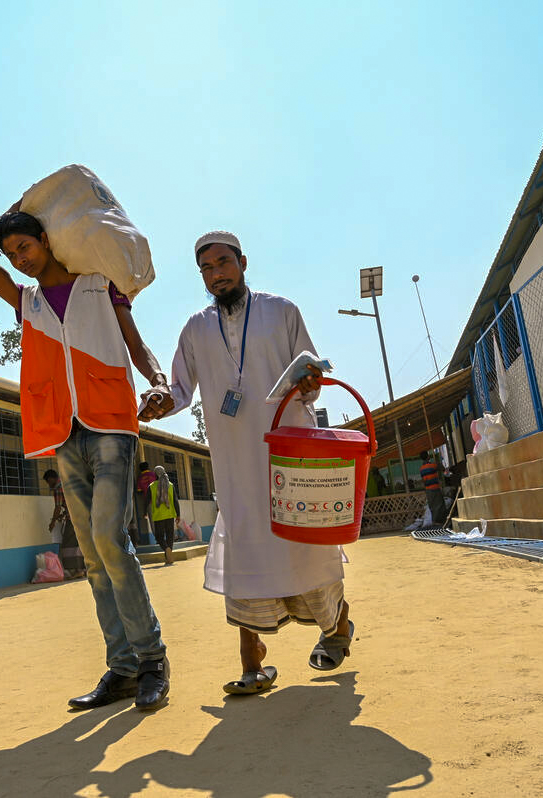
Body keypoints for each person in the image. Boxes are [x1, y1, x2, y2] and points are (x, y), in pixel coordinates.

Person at [0, 206, 171, 712]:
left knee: (107, 536)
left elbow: (132, 339)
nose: (19, 261)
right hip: (63, 432)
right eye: (11, 255)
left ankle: (152, 660)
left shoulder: (98, 283)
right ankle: (121, 668)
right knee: (93, 556)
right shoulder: (25, 301)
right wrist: (11, 214)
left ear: (48, 240)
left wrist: (158, 379)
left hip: (111, 424)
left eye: (26, 248)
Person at [140, 231, 353, 697]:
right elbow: (179, 388)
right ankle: (252, 664)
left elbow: (313, 381)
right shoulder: (195, 329)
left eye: (223, 263)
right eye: (207, 269)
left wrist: (312, 380)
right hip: (234, 463)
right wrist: (160, 400)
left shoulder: (282, 310)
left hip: (288, 455)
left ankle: (337, 628)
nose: (216, 274)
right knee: (245, 552)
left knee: (305, 546)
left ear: (243, 262)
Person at [43, 468, 85, 579]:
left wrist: (52, 522)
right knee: (78, 544)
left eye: (48, 482)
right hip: (81, 516)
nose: (48, 485)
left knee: (68, 544)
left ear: (51, 478)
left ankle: (75, 570)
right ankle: (83, 569)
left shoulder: (58, 488)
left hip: (73, 519)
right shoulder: (66, 483)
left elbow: (57, 507)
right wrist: (63, 515)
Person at [147, 466, 180, 566]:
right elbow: (175, 501)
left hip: (158, 516)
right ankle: (169, 556)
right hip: (170, 514)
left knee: (159, 536)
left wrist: (144, 512)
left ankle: (166, 549)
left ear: (155, 474)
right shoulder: (170, 485)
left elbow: (146, 500)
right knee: (170, 535)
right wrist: (178, 515)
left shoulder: (151, 486)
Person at [419, 452, 444, 526]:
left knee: (432, 506)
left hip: (428, 489)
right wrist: (438, 462)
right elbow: (442, 469)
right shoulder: (432, 465)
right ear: (428, 457)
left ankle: (434, 520)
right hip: (435, 488)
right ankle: (438, 521)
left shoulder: (421, 469)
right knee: (439, 505)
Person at [134, 462, 156, 545]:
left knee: (152, 521)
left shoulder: (140, 478)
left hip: (148, 502)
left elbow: (139, 490)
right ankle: (164, 537)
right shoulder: (153, 474)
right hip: (158, 500)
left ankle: (157, 538)